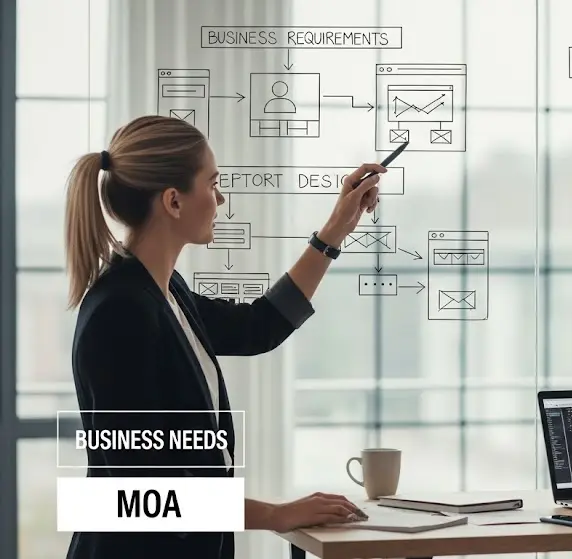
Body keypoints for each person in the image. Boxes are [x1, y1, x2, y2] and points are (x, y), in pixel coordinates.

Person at [63, 115, 386, 559]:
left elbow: (259, 326)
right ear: (174, 201)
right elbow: (148, 493)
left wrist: (334, 231)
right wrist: (276, 514)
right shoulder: (119, 314)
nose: (220, 197)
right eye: (212, 183)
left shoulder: (165, 291)